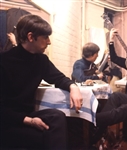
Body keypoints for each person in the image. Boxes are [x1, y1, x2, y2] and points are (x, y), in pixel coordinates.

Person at [0, 14, 83, 149]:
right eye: (45, 37)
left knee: (58, 116)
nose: (49, 42)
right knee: (48, 137)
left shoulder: (40, 60)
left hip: (27, 114)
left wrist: (73, 87)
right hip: (7, 121)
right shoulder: (3, 61)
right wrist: (29, 121)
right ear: (31, 37)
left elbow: (59, 78)